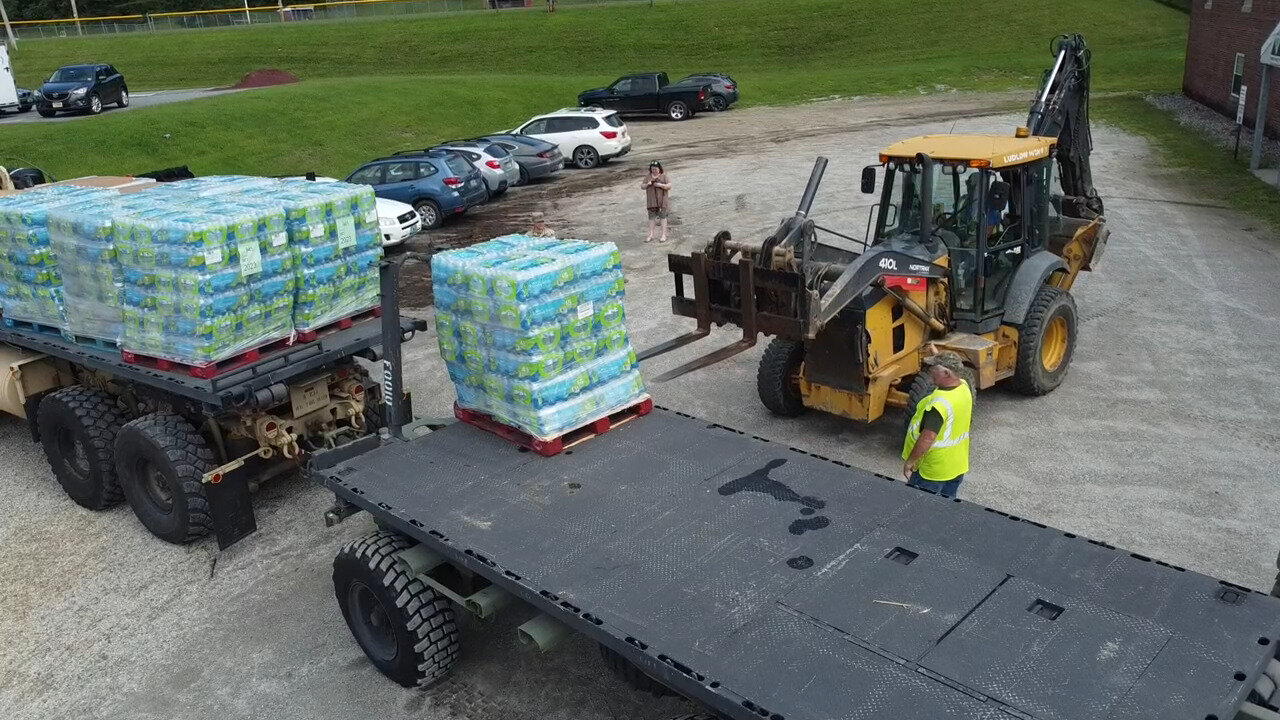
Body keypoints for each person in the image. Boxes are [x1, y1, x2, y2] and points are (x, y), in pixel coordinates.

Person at [901, 349, 972, 499]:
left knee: (916, 509)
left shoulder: (939, 405)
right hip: (956, 467)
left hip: (933, 472)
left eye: (934, 369)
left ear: (946, 373)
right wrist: (939, 355)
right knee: (944, 509)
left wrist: (910, 462)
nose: (930, 371)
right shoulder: (964, 387)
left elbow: (928, 438)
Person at [641, 161, 671, 243]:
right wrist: (648, 184)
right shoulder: (648, 176)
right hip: (651, 202)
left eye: (655, 169)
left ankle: (663, 235)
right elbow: (642, 186)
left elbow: (669, 186)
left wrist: (660, 185)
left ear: (659, 169)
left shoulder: (664, 176)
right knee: (651, 218)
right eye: (652, 169)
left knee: (663, 217)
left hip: (662, 202)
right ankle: (651, 235)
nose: (654, 171)